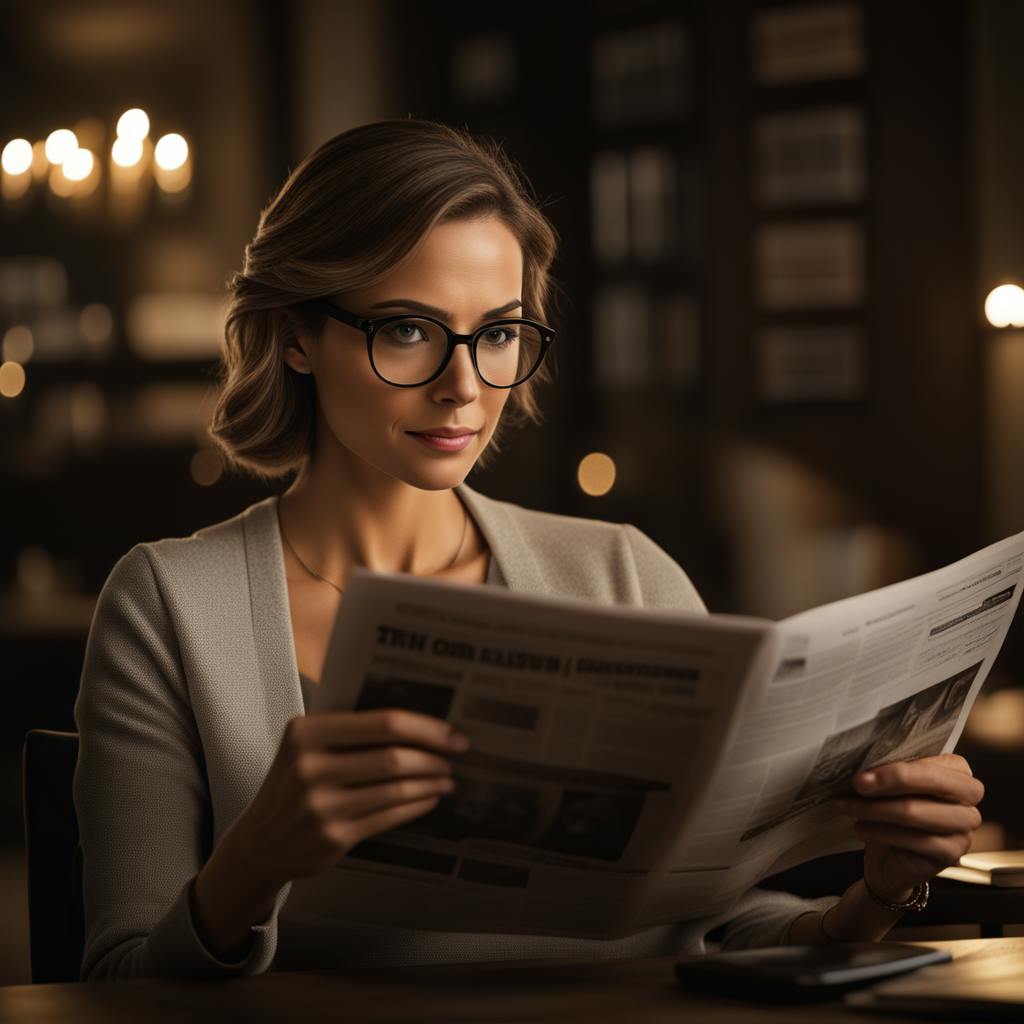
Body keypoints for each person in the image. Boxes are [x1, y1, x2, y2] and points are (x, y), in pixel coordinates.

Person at [73, 118, 984, 981]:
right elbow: (119, 983)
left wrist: (882, 889)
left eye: (500, 334)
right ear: (295, 335)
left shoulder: (623, 571)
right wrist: (254, 861)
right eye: (408, 330)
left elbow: (718, 929)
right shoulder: (169, 605)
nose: (464, 387)